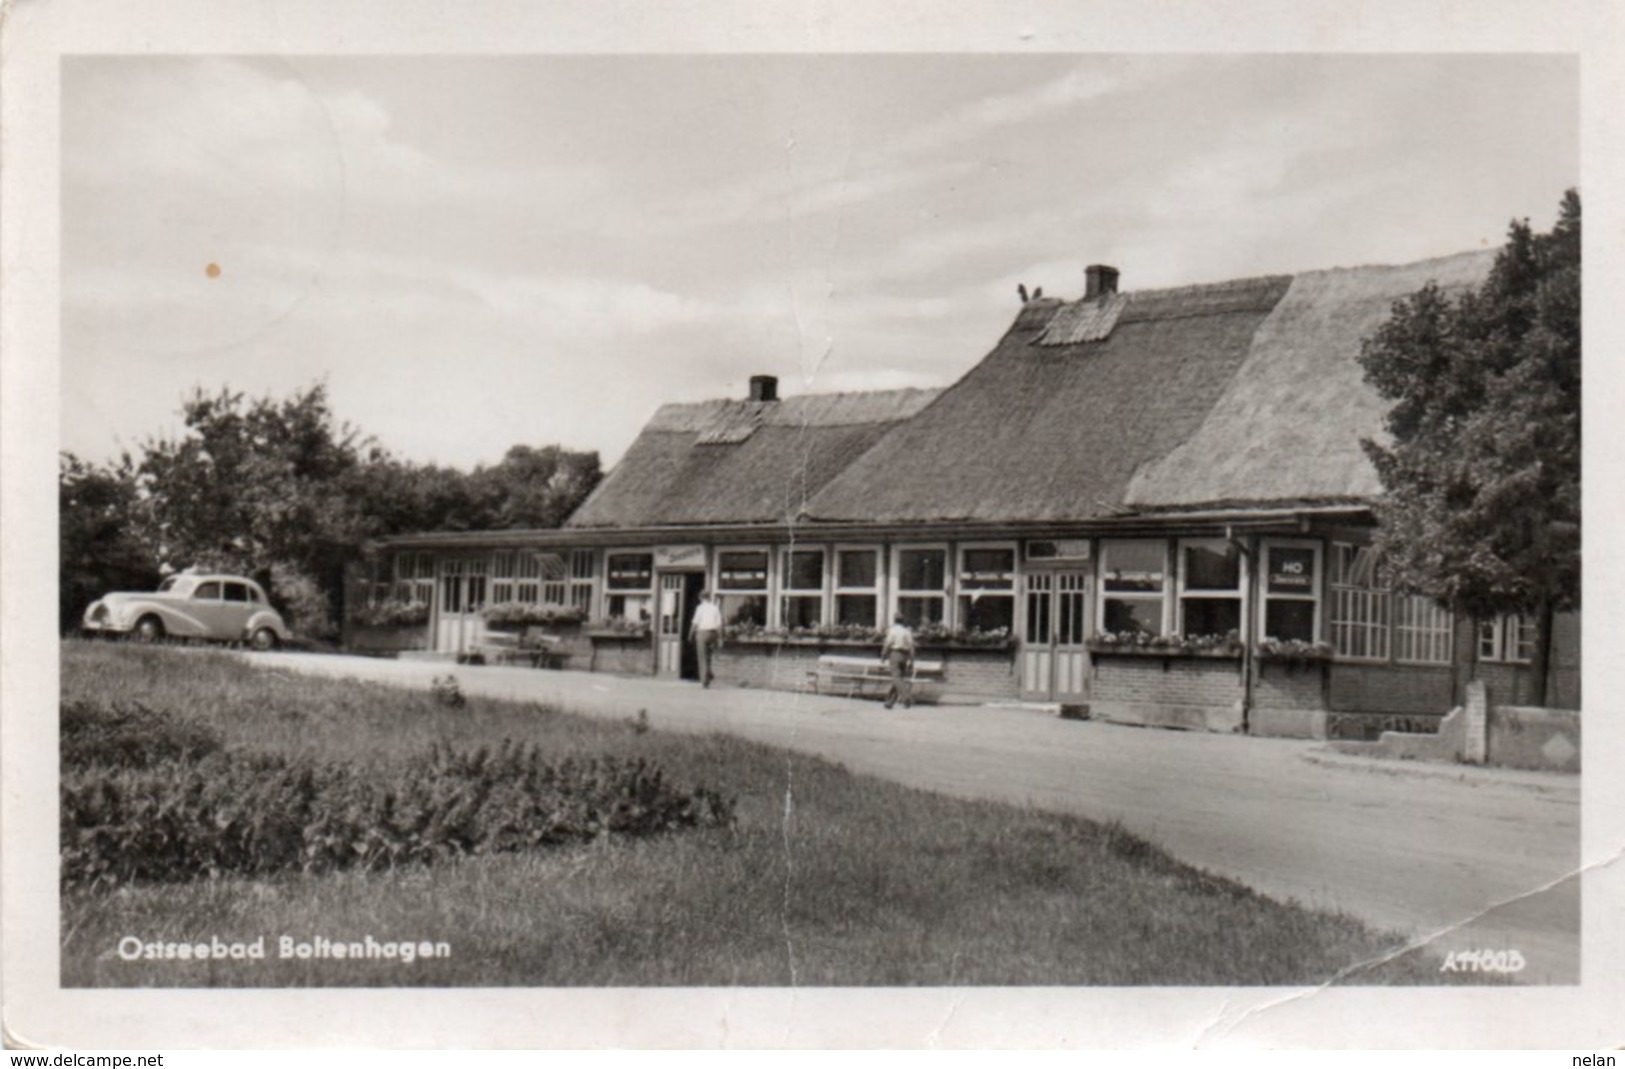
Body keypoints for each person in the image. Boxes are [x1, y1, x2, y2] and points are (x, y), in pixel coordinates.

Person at [689, 588, 724, 688]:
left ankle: (705, 680)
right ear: (709, 597)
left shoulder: (700, 608)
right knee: (708, 656)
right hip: (713, 634)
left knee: (702, 656)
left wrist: (690, 634)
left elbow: (695, 623)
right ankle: (708, 673)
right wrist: (720, 638)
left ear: (701, 598)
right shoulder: (715, 608)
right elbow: (719, 625)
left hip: (702, 633)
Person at [881, 612, 916, 709]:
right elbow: (911, 647)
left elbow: (888, 644)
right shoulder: (907, 631)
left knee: (896, 678)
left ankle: (906, 696)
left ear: (894, 620)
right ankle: (890, 701)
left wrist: (883, 655)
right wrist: (912, 661)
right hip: (905, 655)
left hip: (895, 653)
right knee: (899, 679)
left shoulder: (892, 631)